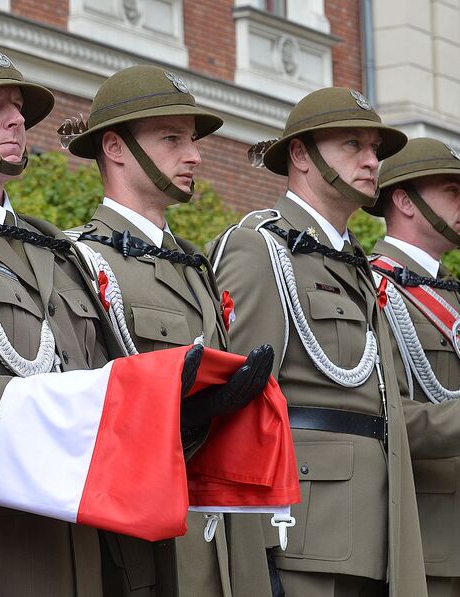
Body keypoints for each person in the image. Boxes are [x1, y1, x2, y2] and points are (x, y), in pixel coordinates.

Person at [0, 45, 278, 597]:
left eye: (18, 107)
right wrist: (101, 405)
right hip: (2, 535)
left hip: (82, 534)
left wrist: (185, 411)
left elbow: (99, 372)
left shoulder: (50, 247)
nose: (16, 120)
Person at [62, 64, 274, 596]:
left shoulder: (195, 266)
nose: (194, 155)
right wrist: (183, 413)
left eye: (192, 139)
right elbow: (83, 409)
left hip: (220, 540)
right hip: (144, 544)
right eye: (172, 139)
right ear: (115, 147)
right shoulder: (78, 260)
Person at [209, 87, 429, 596]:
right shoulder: (258, 247)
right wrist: (255, 554)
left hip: (376, 532)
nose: (372, 161)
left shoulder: (354, 263)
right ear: (301, 155)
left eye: (374, 149)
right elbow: (237, 409)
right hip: (301, 534)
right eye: (353, 144)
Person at [364, 138, 460, 596]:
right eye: (453, 191)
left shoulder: (454, 295)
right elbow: (383, 418)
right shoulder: (373, 287)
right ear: (405, 201)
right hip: (431, 541)